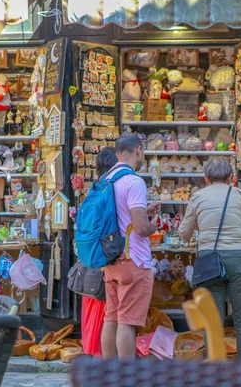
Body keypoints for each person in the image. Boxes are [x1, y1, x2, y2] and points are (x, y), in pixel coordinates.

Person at [179, 157, 241, 359]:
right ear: (230, 177)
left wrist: (204, 227)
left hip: (210, 261)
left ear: (206, 178)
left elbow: (183, 234)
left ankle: (215, 374)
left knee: (212, 322)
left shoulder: (197, 197)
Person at [101, 133, 161, 359]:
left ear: (117, 154)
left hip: (111, 259)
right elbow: (140, 228)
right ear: (138, 150)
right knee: (127, 322)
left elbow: (120, 216)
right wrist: (152, 225)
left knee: (112, 317)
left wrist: (144, 211)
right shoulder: (134, 181)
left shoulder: (107, 179)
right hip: (133, 259)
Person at [81, 147, 118, 357]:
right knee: (108, 312)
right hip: (107, 257)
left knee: (95, 305)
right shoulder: (112, 190)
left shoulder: (94, 190)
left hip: (91, 258)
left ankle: (94, 350)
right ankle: (105, 354)